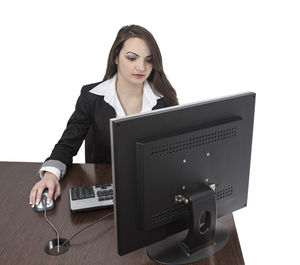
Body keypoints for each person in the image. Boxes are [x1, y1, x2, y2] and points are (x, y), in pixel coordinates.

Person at [29, 25, 179, 207]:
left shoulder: (164, 101)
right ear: (116, 58)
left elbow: (176, 153)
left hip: (150, 191)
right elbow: (67, 143)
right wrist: (51, 175)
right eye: (132, 58)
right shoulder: (92, 97)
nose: (141, 67)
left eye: (148, 60)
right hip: (104, 191)